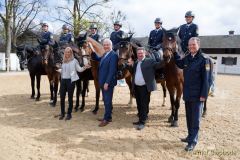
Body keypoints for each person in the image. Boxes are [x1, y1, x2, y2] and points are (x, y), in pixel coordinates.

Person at [173, 37, 211, 151]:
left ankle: (193, 141)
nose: (191, 47)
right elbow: (179, 64)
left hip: (198, 95)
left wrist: (204, 95)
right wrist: (174, 52)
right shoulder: (188, 57)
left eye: (193, 45)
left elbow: (207, 80)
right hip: (188, 94)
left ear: (198, 45)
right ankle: (190, 136)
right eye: (189, 45)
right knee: (189, 118)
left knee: (195, 120)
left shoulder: (204, 60)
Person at [127, 47, 165, 130]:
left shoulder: (150, 61)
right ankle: (140, 119)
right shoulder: (136, 62)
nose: (140, 55)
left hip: (145, 87)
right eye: (138, 53)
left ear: (145, 53)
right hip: (136, 86)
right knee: (139, 104)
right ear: (137, 54)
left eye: (141, 53)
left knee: (144, 104)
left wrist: (165, 59)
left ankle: (142, 122)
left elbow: (158, 65)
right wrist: (128, 65)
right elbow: (133, 72)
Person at [58, 47, 90, 120]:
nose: (67, 53)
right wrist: (59, 70)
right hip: (63, 81)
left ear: (71, 53)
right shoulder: (63, 61)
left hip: (71, 81)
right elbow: (63, 71)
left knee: (70, 98)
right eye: (66, 52)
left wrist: (85, 67)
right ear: (64, 53)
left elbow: (79, 69)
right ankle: (62, 113)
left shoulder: (74, 61)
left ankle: (69, 114)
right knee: (62, 97)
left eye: (69, 52)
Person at [97, 39, 118, 127]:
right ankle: (108, 116)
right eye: (104, 45)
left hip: (107, 82)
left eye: (107, 45)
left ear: (111, 45)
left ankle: (106, 119)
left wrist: (107, 82)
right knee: (106, 100)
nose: (105, 46)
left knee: (108, 101)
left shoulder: (113, 55)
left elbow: (112, 70)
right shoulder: (105, 54)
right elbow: (98, 60)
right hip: (102, 81)